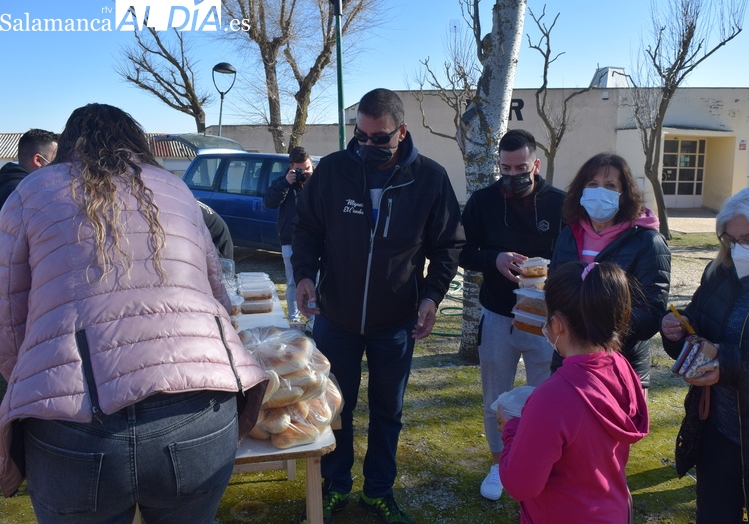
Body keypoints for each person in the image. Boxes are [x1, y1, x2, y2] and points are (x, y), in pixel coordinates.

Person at [0, 104, 268, 522]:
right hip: (199, 407)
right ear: (136, 141)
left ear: (69, 144)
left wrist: (32, 380)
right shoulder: (173, 187)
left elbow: (8, 319)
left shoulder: (32, 193)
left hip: (75, 424)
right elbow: (220, 295)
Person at [292, 88, 465, 524]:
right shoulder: (332, 171)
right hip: (336, 317)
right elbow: (307, 228)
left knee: (389, 411)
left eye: (379, 138)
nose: (367, 146)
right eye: (361, 137)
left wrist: (431, 297)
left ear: (401, 132)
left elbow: (448, 245)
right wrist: (305, 275)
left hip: (397, 322)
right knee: (335, 407)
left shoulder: (429, 178)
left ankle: (378, 491)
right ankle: (336, 485)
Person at [661, 181, 749, 523]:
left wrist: (732, 366)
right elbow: (699, 322)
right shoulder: (721, 271)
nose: (740, 249)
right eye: (732, 239)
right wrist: (677, 331)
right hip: (720, 433)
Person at [498, 261, 649, 524]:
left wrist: (512, 428)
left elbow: (520, 485)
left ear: (556, 324)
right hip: (612, 510)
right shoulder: (621, 366)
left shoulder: (552, 398)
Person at [460, 129, 565, 501]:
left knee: (545, 397)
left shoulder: (559, 204)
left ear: (536, 164)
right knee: (496, 396)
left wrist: (549, 274)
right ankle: (498, 463)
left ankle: (540, 463)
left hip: (546, 320)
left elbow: (573, 259)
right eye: (505, 168)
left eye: (521, 167)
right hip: (497, 313)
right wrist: (495, 258)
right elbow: (463, 251)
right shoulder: (483, 201)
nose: (512, 175)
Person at [550, 153, 671, 392]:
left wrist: (598, 324)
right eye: (592, 184)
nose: (600, 191)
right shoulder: (568, 235)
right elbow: (554, 291)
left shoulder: (648, 242)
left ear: (624, 194)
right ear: (581, 191)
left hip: (621, 368)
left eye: (610, 185)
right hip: (567, 362)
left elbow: (651, 315)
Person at [265, 146, 314, 323]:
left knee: (315, 281)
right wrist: (286, 182)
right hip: (290, 240)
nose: (305, 173)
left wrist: (312, 181)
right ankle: (294, 320)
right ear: (291, 168)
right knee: (293, 281)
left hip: (315, 240)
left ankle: (313, 321)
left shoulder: (319, 181)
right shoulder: (283, 182)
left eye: (308, 168)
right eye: (300, 170)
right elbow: (269, 202)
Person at [0, 128, 58, 210]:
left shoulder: (6, 181)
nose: (58, 166)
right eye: (55, 160)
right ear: (38, 160)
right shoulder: (24, 194)